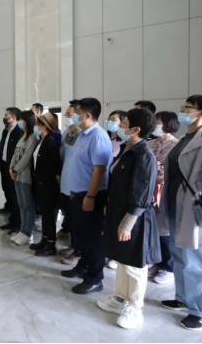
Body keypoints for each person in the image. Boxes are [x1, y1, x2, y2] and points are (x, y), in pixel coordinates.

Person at [160, 95, 202, 332]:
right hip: (176, 206)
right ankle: (184, 298)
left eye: (187, 107)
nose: (182, 110)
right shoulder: (184, 139)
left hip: (195, 208)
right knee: (180, 257)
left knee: (198, 261)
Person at [98, 109, 160, 330]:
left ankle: (135, 307)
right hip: (119, 211)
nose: (119, 126)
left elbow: (142, 193)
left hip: (134, 218)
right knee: (122, 258)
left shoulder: (144, 155)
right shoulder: (128, 149)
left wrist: (127, 222)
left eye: (124, 123)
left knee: (134, 264)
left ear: (136, 129)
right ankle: (121, 298)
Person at [61, 98, 112, 295]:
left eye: (77, 113)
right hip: (77, 194)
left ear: (87, 115)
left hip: (91, 196)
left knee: (93, 239)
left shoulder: (98, 137)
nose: (74, 116)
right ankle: (82, 267)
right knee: (82, 236)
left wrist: (90, 196)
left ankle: (94, 278)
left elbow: (99, 171)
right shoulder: (82, 134)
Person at [147, 111, 181, 285]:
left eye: (158, 122)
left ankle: (168, 267)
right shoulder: (150, 143)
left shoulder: (176, 145)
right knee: (152, 228)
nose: (155, 125)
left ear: (168, 124)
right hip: (149, 190)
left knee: (164, 230)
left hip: (164, 191)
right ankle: (156, 262)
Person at [31, 113, 62, 257]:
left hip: (49, 185)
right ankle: (44, 239)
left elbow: (56, 167)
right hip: (41, 183)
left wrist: (57, 187)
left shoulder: (50, 141)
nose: (36, 126)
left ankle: (51, 244)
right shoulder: (42, 140)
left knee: (49, 215)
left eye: (39, 124)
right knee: (44, 214)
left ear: (45, 126)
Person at [9, 111, 40, 246]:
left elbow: (26, 157)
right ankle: (22, 230)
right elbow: (15, 154)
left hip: (25, 176)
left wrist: (15, 170)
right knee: (21, 204)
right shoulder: (23, 135)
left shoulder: (33, 137)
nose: (20, 122)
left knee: (28, 205)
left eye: (22, 119)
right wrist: (11, 167)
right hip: (17, 175)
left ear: (28, 121)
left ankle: (28, 233)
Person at [59, 100, 81, 265]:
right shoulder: (68, 133)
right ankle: (73, 246)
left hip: (77, 185)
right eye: (66, 114)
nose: (66, 117)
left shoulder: (84, 135)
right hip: (66, 182)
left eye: (69, 114)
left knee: (78, 221)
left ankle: (78, 251)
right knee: (71, 218)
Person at [105, 110, 127, 270]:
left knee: (117, 221)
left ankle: (116, 254)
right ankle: (109, 250)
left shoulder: (124, 144)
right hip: (103, 184)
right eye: (109, 119)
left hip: (116, 185)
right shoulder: (104, 138)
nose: (110, 122)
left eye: (114, 119)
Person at [0, 108, 23, 235]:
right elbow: (2, 147)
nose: (4, 117)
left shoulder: (19, 131)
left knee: (15, 197)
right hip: (4, 166)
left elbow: (18, 153)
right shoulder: (6, 130)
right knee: (8, 194)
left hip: (13, 168)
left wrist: (14, 168)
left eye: (6, 115)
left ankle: (18, 224)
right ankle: (12, 220)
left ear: (13, 117)